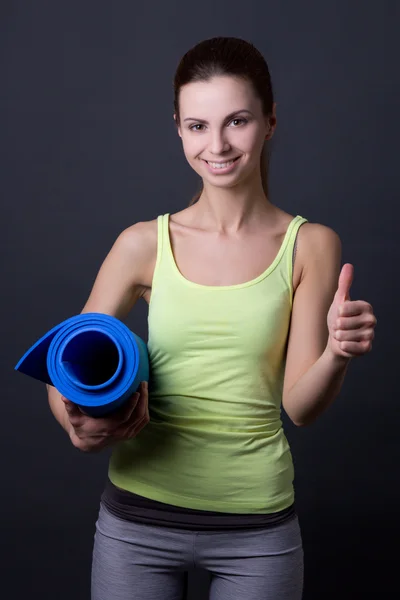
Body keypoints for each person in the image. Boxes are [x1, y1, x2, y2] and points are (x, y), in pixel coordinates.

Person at [47, 36, 377, 600]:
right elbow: (65, 370)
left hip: (256, 532)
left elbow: (300, 407)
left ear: (270, 122)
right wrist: (78, 424)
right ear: (178, 127)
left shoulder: (311, 246)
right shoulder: (141, 244)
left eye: (237, 121)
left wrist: (336, 355)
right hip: (136, 526)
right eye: (197, 125)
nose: (217, 144)